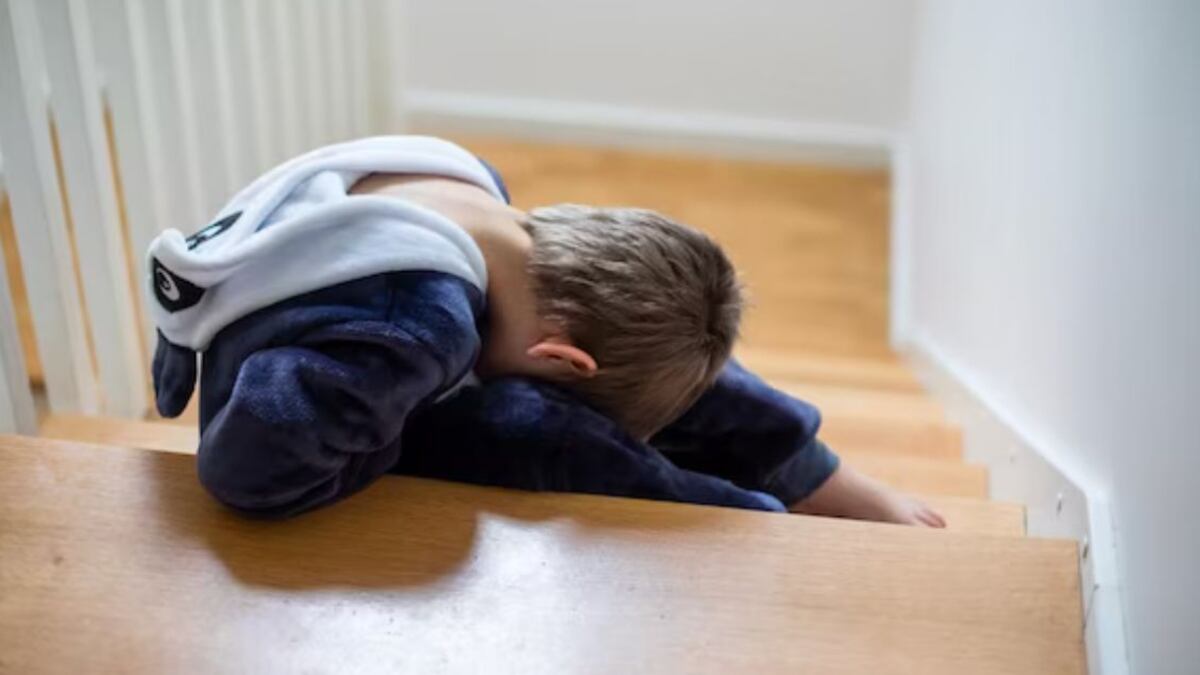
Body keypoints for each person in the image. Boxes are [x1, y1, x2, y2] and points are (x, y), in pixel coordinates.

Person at [148, 136, 943, 527]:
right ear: (558, 355)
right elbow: (242, 466)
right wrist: (396, 447)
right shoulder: (417, 334)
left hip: (319, 301)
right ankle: (736, 516)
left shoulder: (472, 182)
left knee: (665, 353)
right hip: (291, 363)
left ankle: (814, 479)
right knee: (537, 429)